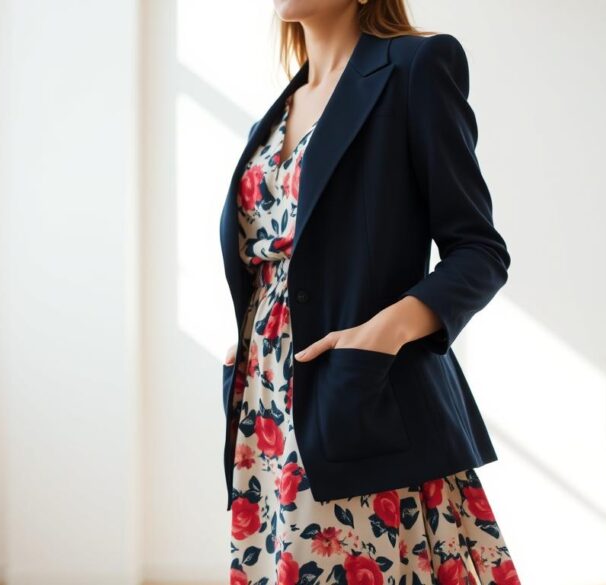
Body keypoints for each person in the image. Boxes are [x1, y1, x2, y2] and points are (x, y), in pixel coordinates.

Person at [218, 1, 520, 583]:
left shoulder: (415, 67)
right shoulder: (276, 115)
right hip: (265, 411)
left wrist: (383, 333)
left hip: (358, 393)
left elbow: (479, 251)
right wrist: (248, 344)